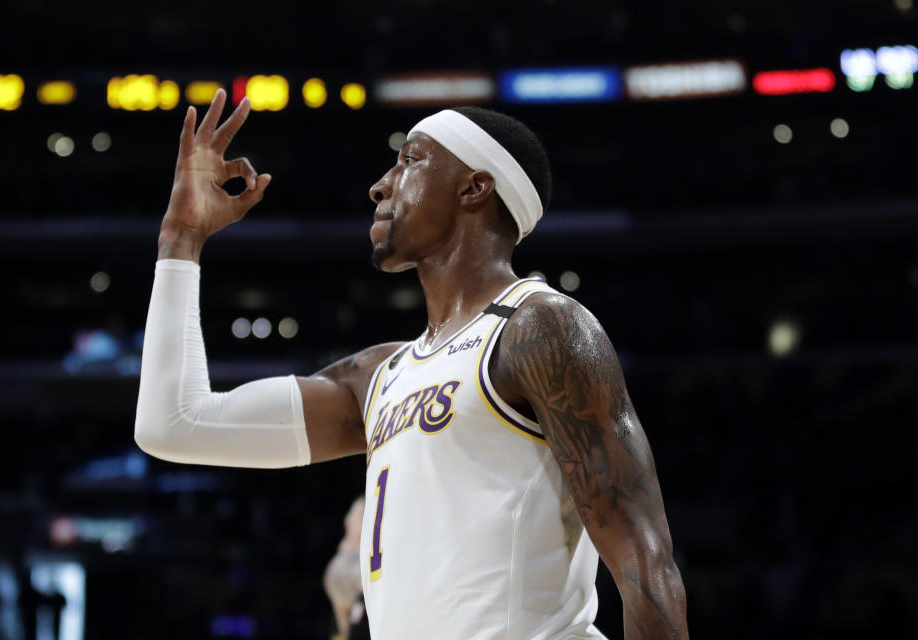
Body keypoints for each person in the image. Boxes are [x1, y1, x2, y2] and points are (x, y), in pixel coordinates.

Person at [135, 89, 689, 639]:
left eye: (410, 160)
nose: (380, 185)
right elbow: (174, 424)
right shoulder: (378, 377)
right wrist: (180, 239)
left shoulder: (540, 327)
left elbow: (644, 556)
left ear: (475, 187)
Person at [323, 496, 370, 640]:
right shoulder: (346, 563)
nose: (347, 521)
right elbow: (342, 632)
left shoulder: (372, 563)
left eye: (354, 515)